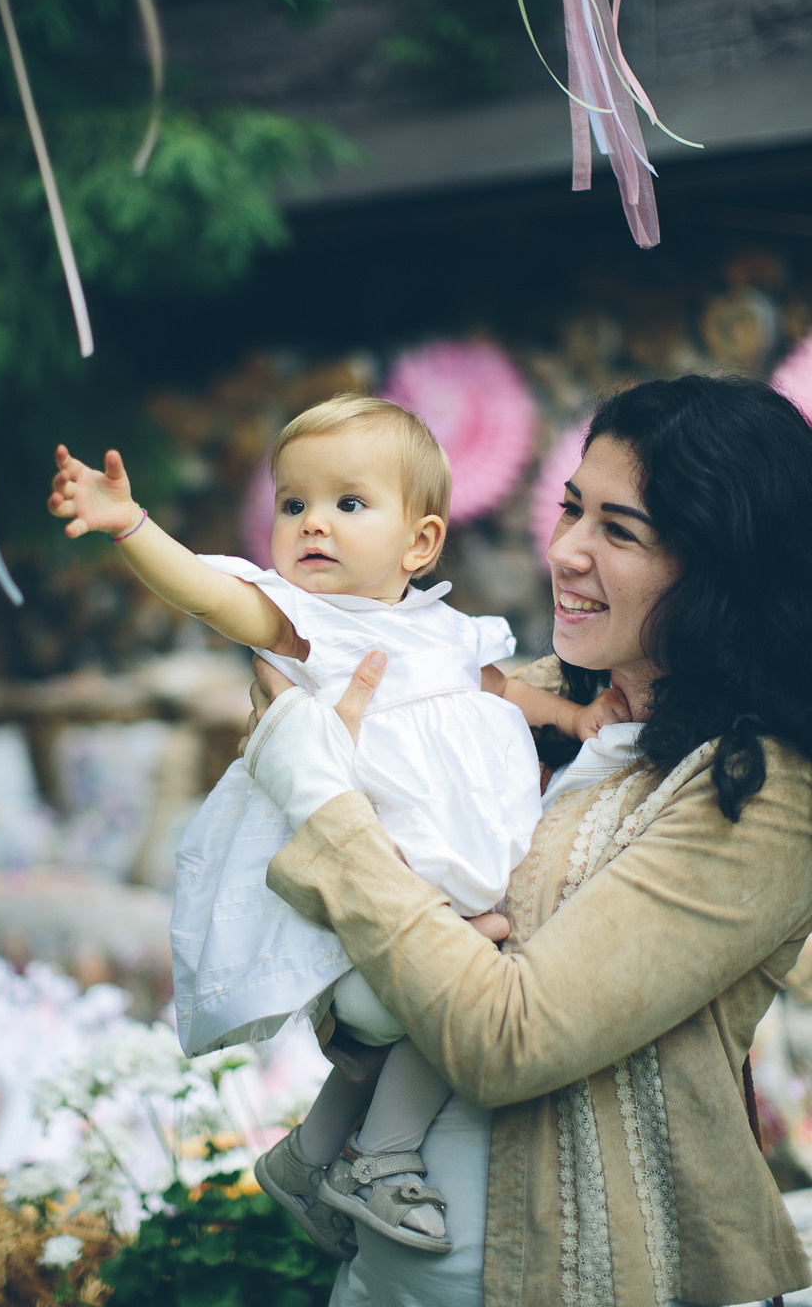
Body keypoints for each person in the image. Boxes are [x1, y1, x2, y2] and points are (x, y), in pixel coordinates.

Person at [239, 374, 812, 1307]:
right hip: (386, 1286)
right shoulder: (506, 699)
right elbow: (345, 970)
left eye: (618, 532)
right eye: (569, 509)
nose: (564, 553)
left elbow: (508, 1042)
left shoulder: (759, 790)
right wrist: (372, 1000)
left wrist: (324, 806)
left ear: (720, 568)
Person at [48, 393, 625, 1256]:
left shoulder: (438, 632)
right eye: (294, 504)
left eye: (347, 504)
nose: (313, 524)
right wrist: (131, 525)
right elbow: (211, 595)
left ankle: (309, 1155)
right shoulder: (304, 622)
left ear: (420, 543)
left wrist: (571, 720)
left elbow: (496, 688)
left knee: (459, 978)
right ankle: (380, 1161)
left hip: (426, 890)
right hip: (368, 909)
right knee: (457, 991)